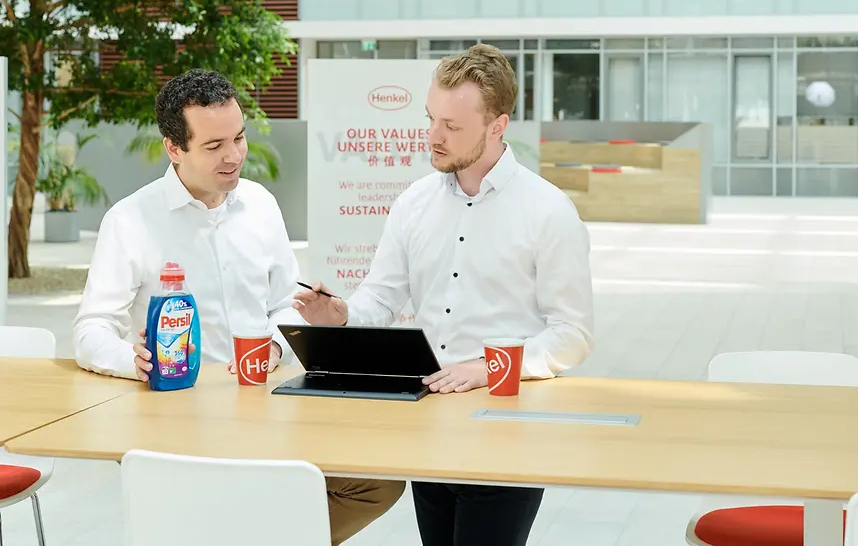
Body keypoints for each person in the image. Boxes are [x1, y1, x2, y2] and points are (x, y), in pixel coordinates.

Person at [72, 68, 404, 546]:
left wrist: (272, 346)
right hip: (178, 423)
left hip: (266, 412)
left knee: (379, 482)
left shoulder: (262, 205)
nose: (234, 156)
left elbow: (286, 306)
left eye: (239, 138)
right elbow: (91, 331)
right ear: (174, 148)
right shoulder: (130, 221)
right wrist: (135, 361)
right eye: (214, 146)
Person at [293, 44, 595, 546]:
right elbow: (381, 298)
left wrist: (491, 365)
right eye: (431, 118)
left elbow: (573, 334)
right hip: (428, 420)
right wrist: (341, 313)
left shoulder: (549, 213)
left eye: (451, 127)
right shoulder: (413, 204)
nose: (433, 136)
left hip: (507, 429)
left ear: (497, 126)